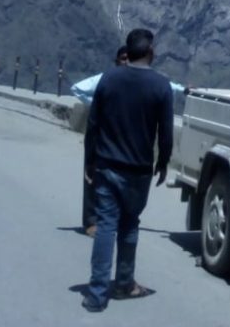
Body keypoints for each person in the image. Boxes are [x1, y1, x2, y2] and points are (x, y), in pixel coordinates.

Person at [81, 28, 174, 312]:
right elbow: (166, 134)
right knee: (130, 223)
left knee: (106, 225)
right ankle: (124, 284)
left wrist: (89, 161)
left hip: (107, 165)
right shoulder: (161, 86)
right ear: (150, 51)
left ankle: (96, 295)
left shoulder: (109, 79)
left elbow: (93, 125)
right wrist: (163, 163)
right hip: (139, 170)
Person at [73, 46, 128, 236]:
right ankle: (91, 222)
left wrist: (182, 89)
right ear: (116, 61)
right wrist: (96, 103)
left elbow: (162, 86)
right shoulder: (105, 80)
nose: (126, 62)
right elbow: (77, 88)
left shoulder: (137, 83)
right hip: (101, 134)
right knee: (92, 178)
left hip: (123, 138)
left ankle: (111, 219)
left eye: (130, 58)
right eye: (123, 58)